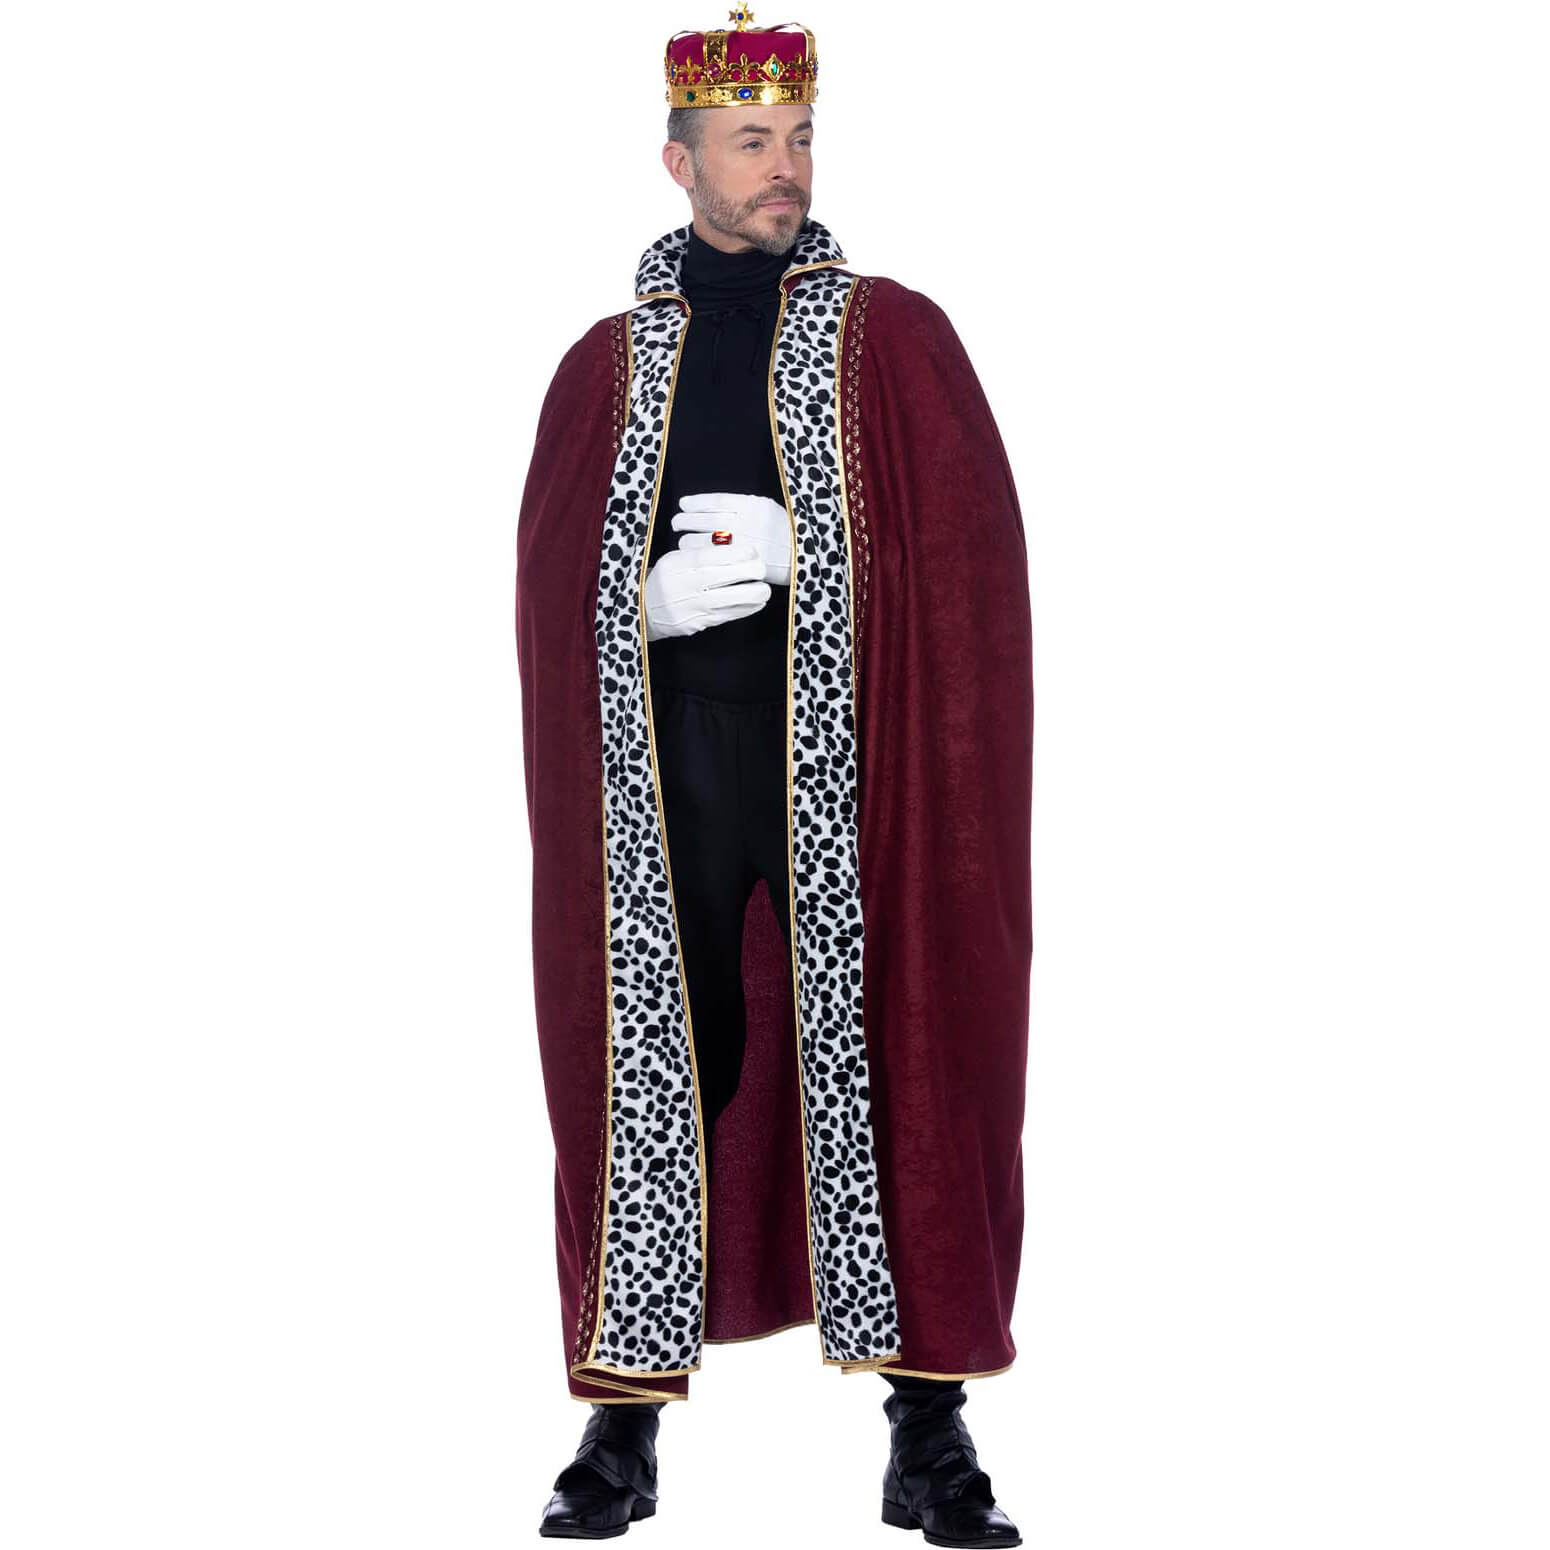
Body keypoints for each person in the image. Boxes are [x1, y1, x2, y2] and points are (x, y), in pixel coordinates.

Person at [514, 11, 1033, 1543]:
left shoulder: (894, 339)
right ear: (678, 162)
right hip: (672, 756)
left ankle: (927, 1429)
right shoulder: (605, 367)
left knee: (899, 1052)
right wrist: (640, 603)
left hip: (854, 769)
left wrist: (835, 560)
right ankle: (621, 1424)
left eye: (797, 138)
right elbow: (547, 590)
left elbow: (977, 575)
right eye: (750, 143)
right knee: (649, 1059)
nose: (783, 167)